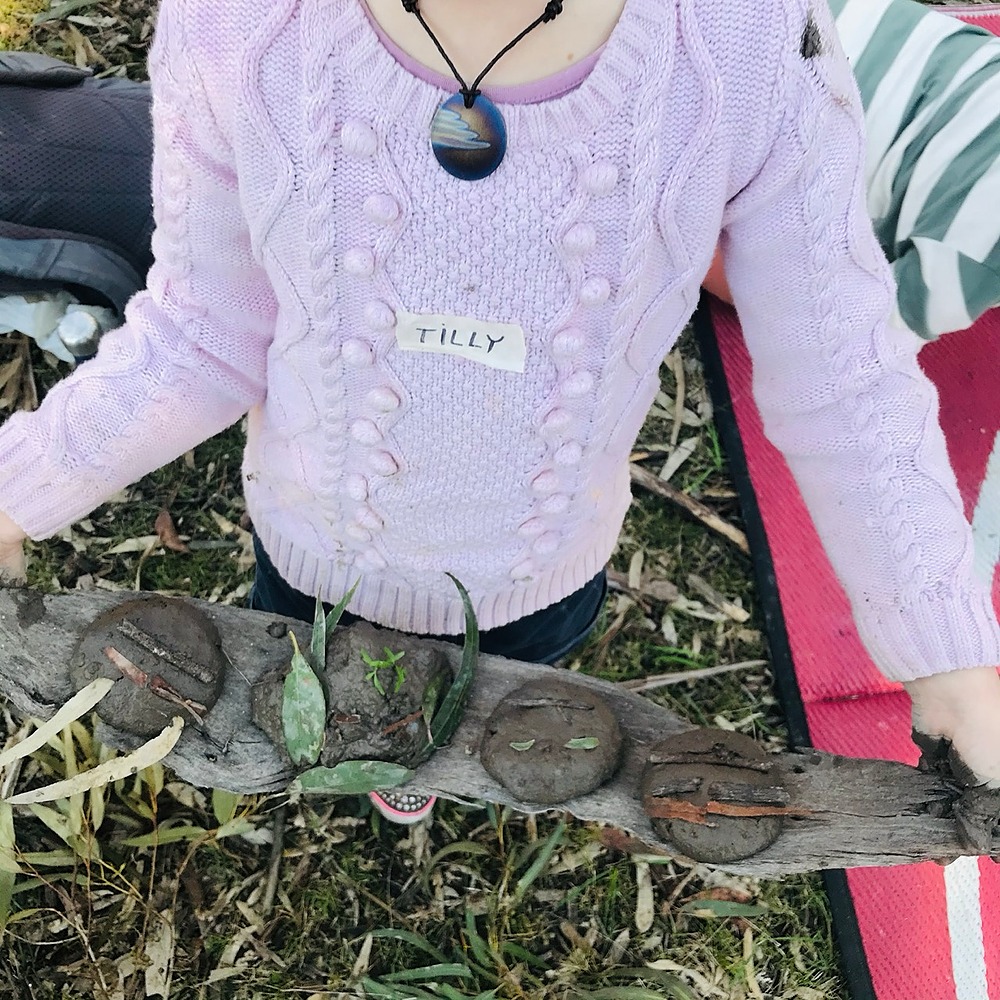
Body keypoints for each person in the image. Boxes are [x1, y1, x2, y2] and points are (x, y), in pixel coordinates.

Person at [0, 0, 997, 834]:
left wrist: (948, 653)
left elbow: (838, 369)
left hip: (538, 571)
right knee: (337, 694)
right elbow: (201, 329)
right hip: (313, 553)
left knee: (491, 710)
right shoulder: (241, 24)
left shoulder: (751, 41)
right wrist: (18, 492)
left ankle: (420, 768)